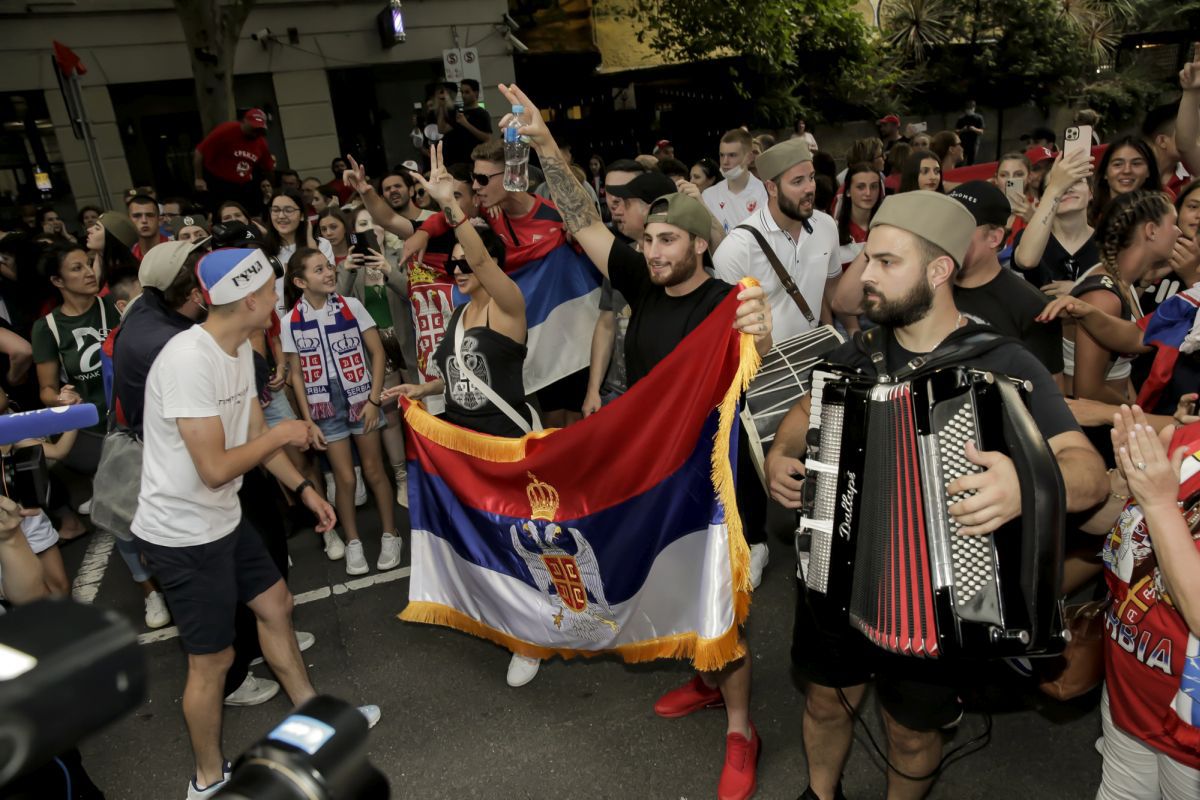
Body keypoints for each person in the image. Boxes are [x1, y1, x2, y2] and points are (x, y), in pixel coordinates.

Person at [765, 190, 1107, 800]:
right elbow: (808, 406)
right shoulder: (864, 351)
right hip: (837, 567)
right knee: (824, 701)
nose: (865, 276)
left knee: (911, 733)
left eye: (886, 262)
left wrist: (1025, 481)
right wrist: (781, 455)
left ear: (938, 270)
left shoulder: (1001, 362)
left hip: (936, 596)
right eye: (866, 259)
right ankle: (821, 794)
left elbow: (1088, 472)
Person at [502, 82, 773, 800]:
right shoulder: (643, 285)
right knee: (683, 591)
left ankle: (742, 727)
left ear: (701, 245)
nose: (650, 251)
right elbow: (586, 217)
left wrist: (761, 338)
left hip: (719, 484)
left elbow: (764, 374)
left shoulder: (728, 304)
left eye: (666, 240)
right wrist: (543, 144)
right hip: (659, 478)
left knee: (723, 607)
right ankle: (706, 683)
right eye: (648, 239)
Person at [131, 246, 378, 798]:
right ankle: (206, 780)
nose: (277, 296)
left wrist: (304, 488)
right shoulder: (188, 360)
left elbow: (250, 441)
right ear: (248, 298)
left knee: (277, 605)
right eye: (271, 287)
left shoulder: (240, 346)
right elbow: (216, 467)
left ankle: (314, 724)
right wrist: (282, 436)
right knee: (213, 660)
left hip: (221, 518)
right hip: (183, 534)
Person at [381, 143, 541, 687]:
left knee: (518, 540)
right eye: (449, 264)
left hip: (508, 445)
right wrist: (420, 386)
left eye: (464, 262)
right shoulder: (460, 312)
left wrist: (452, 207)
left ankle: (530, 639)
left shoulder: (507, 303)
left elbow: (477, 257)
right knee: (487, 540)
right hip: (468, 445)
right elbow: (458, 376)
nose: (457, 269)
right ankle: (507, 621)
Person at [710, 137, 838, 588]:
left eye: (811, 179)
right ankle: (757, 543)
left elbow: (828, 297)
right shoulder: (736, 248)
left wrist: (841, 344)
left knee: (823, 456)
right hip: (759, 373)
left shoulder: (826, 227)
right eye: (797, 181)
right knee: (752, 464)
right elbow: (720, 324)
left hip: (815, 363)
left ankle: (823, 544)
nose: (810, 189)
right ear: (770, 186)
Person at [1077, 406, 1200, 799]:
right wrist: (1124, 483)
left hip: (1189, 725)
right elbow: (1097, 527)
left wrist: (1161, 505)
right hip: (1130, 686)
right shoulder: (1185, 440)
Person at [281, 247, 400, 577]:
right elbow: (297, 375)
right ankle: (352, 542)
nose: (329, 272)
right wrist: (308, 420)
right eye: (318, 270)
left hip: (360, 396)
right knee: (344, 479)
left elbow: (376, 354)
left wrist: (374, 401)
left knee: (375, 470)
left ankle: (391, 534)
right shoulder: (290, 321)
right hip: (324, 405)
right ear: (300, 281)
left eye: (328, 266)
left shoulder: (352, 307)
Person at [1064, 191, 1178, 407]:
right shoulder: (1103, 298)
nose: (1179, 232)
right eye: (1173, 224)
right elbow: (1087, 391)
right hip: (1089, 425)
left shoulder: (1122, 282)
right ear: (1151, 231)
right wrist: (1141, 417)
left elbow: (1120, 371)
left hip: (1115, 416)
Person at [337, 207, 411, 505]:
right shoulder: (350, 269)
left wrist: (388, 270)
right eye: (363, 225)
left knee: (421, 412)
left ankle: (431, 474)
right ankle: (402, 478)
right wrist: (347, 269)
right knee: (390, 415)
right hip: (377, 352)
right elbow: (338, 305)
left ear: (384, 229)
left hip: (408, 344)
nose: (371, 230)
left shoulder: (399, 257)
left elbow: (412, 292)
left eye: (375, 224)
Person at [32, 244, 118, 478]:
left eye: (89, 264)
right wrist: (61, 399)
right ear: (58, 281)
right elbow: (46, 390)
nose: (89, 272)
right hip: (91, 427)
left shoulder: (115, 305)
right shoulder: (47, 328)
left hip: (131, 418)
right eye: (77, 268)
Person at [1012, 149, 1097, 296]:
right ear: (1041, 201)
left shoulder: (1110, 241)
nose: (1067, 188)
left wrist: (1081, 289)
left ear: (1091, 192)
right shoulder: (1026, 238)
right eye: (1054, 185)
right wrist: (1056, 188)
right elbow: (1026, 261)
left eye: (1076, 181)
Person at [193, 108, 276, 213]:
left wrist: (269, 184)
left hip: (243, 184)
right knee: (221, 212)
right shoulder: (226, 130)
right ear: (244, 122)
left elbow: (268, 167)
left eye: (259, 129)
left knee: (249, 212)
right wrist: (198, 178)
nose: (255, 132)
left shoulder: (261, 142)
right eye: (253, 128)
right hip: (218, 181)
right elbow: (199, 152)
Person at [703, 129, 769, 235]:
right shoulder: (708, 195)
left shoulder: (766, 193)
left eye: (732, 155)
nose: (725, 162)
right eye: (722, 155)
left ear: (749, 157)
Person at [1091, 137, 1161, 225]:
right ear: (1105, 172)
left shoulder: (1162, 217)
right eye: (1118, 164)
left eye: (1136, 164)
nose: (1127, 170)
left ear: (1149, 171)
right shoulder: (1085, 216)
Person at [835, 162, 883, 270]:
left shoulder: (887, 228)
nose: (868, 193)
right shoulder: (834, 231)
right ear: (848, 191)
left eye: (874, 186)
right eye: (861, 187)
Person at [440, 78, 493, 167]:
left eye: (467, 92)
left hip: (472, 161)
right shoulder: (458, 112)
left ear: (476, 93)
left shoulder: (482, 114)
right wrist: (442, 108)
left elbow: (487, 138)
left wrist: (466, 124)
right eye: (462, 92)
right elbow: (442, 129)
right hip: (454, 161)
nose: (464, 95)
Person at [86, 211, 139, 289]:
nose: (89, 230)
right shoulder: (93, 262)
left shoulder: (124, 277)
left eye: (97, 228)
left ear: (112, 239)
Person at [128, 194, 167, 261]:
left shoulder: (176, 249)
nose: (144, 220)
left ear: (160, 220)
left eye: (150, 215)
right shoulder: (128, 256)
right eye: (137, 216)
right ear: (129, 221)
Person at [955, 101, 985, 165]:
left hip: (974, 143)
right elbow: (956, 131)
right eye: (968, 109)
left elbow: (981, 131)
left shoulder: (978, 118)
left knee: (971, 162)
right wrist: (963, 130)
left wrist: (974, 129)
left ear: (974, 108)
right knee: (960, 162)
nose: (969, 110)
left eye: (970, 108)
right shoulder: (961, 118)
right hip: (963, 143)